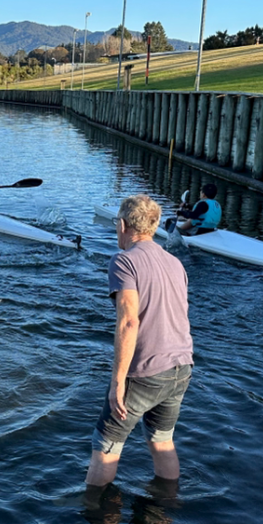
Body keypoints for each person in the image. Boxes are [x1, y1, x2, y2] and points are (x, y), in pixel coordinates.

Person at [87, 194, 194, 489]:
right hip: (181, 367)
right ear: (154, 225)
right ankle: (166, 509)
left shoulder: (124, 261)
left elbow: (129, 321)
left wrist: (118, 382)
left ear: (122, 225)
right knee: (162, 440)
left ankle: (98, 517)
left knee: (106, 444)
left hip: (146, 371)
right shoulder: (175, 264)